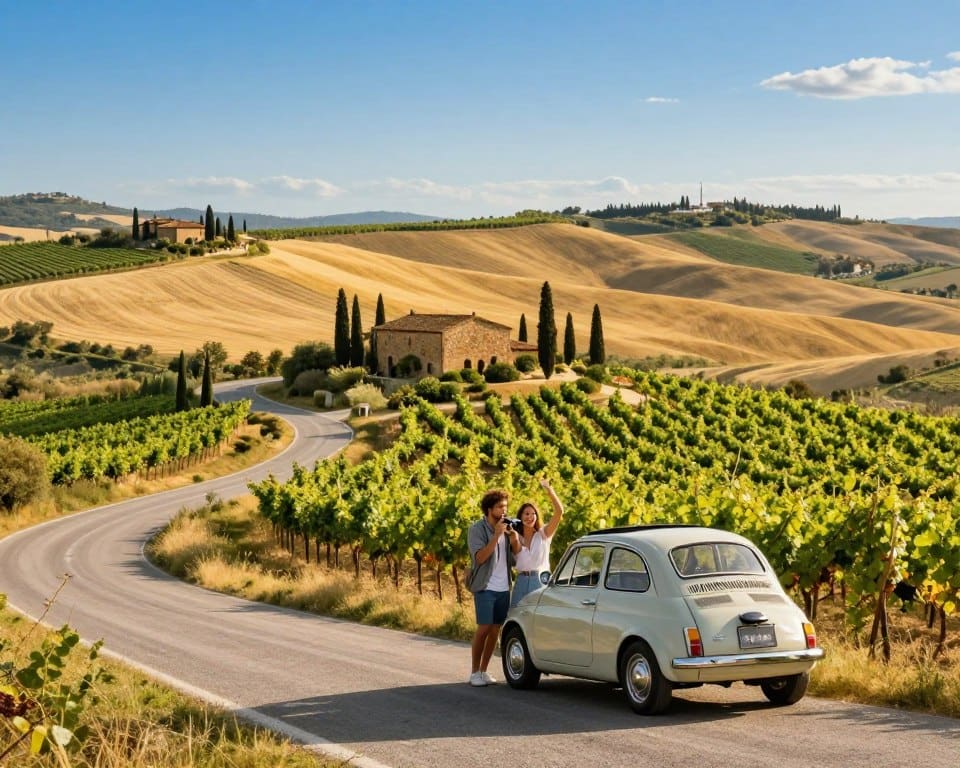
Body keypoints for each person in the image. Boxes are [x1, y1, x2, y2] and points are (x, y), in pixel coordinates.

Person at [466, 488, 520, 687]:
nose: (504, 511)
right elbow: (479, 558)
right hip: (485, 586)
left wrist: (513, 538)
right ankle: (474, 672)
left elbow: (514, 560)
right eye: (500, 507)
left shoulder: (507, 528)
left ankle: (484, 671)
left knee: (495, 629)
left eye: (506, 506)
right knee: (484, 628)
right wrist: (496, 535)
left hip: (504, 587)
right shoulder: (476, 530)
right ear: (489, 509)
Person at [510, 477, 564, 608]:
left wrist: (549, 490)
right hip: (521, 581)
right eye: (526, 514)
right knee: (514, 618)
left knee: (538, 620)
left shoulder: (543, 534)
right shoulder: (516, 537)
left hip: (539, 581)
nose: (530, 517)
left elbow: (559, 512)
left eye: (533, 514)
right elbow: (516, 552)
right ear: (520, 517)